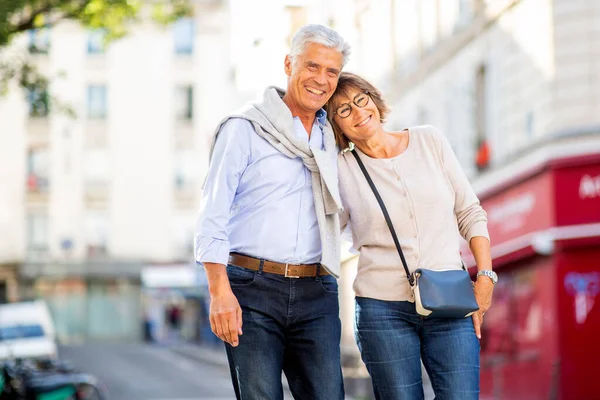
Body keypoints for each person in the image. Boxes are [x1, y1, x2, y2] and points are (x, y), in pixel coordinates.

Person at [194, 25, 350, 400]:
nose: (321, 80)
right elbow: (212, 211)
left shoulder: (335, 137)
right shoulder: (245, 128)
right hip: (252, 288)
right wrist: (219, 291)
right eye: (312, 66)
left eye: (332, 72)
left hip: (318, 289)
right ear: (288, 64)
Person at [325, 72, 496, 400]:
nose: (358, 111)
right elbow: (327, 230)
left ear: (374, 99)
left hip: (450, 301)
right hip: (382, 309)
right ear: (336, 126)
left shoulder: (428, 140)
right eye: (343, 110)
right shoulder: (340, 169)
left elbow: (470, 212)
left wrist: (485, 278)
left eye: (361, 99)